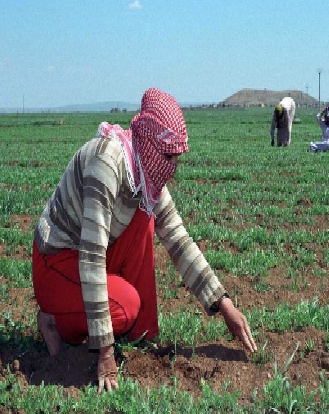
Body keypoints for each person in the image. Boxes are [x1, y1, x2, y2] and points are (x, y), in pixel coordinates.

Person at [32, 87, 257, 395]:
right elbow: (91, 255)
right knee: (124, 307)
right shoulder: (106, 162)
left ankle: (140, 334)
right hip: (57, 261)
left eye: (176, 158)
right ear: (148, 142)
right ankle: (54, 321)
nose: (171, 168)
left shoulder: (144, 175)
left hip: (89, 258)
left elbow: (179, 240)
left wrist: (223, 304)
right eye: (168, 156)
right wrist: (105, 351)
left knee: (145, 217)